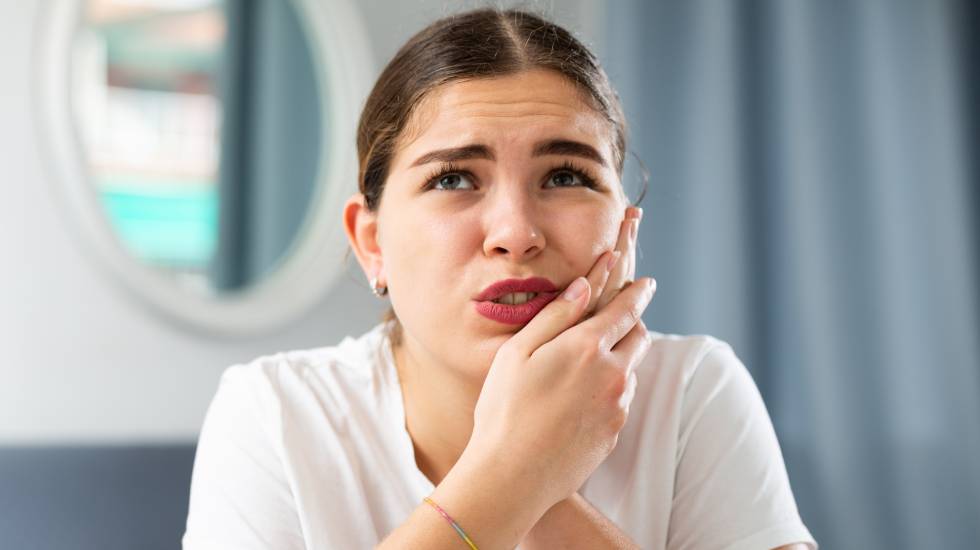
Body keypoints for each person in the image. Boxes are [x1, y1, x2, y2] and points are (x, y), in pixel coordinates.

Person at [182, 7, 817, 550]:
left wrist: (536, 475)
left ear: (626, 226)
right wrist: (519, 466)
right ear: (371, 243)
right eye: (453, 178)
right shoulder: (276, 413)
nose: (515, 232)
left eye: (566, 175)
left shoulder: (692, 391)